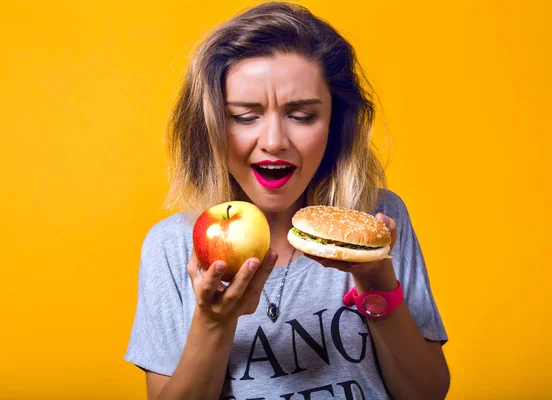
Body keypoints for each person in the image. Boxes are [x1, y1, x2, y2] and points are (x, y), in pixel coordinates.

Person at [124, 2, 450, 399]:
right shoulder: (174, 246)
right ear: (212, 124)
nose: (275, 141)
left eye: (301, 115)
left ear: (334, 123)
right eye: (245, 116)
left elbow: (427, 393)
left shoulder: (375, 224)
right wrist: (214, 322)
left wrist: (377, 284)